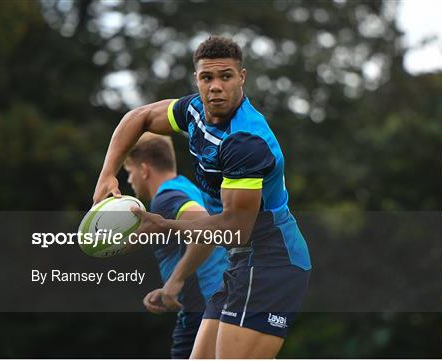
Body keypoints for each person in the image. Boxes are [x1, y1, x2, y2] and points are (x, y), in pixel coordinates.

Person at [93, 35, 311, 358]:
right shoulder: (193, 110)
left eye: (226, 76)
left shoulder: (245, 141)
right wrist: (107, 173)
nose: (216, 87)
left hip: (272, 264)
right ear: (197, 79)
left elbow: (235, 229)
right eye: (207, 77)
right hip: (241, 263)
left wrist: (164, 226)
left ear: (242, 78)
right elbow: (139, 117)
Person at [123, 133, 229, 359]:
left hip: (204, 309)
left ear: (144, 170)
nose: (130, 181)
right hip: (219, 301)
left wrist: (175, 280)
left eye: (130, 173)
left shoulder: (166, 198)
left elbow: (207, 231)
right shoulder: (186, 188)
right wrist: (170, 286)